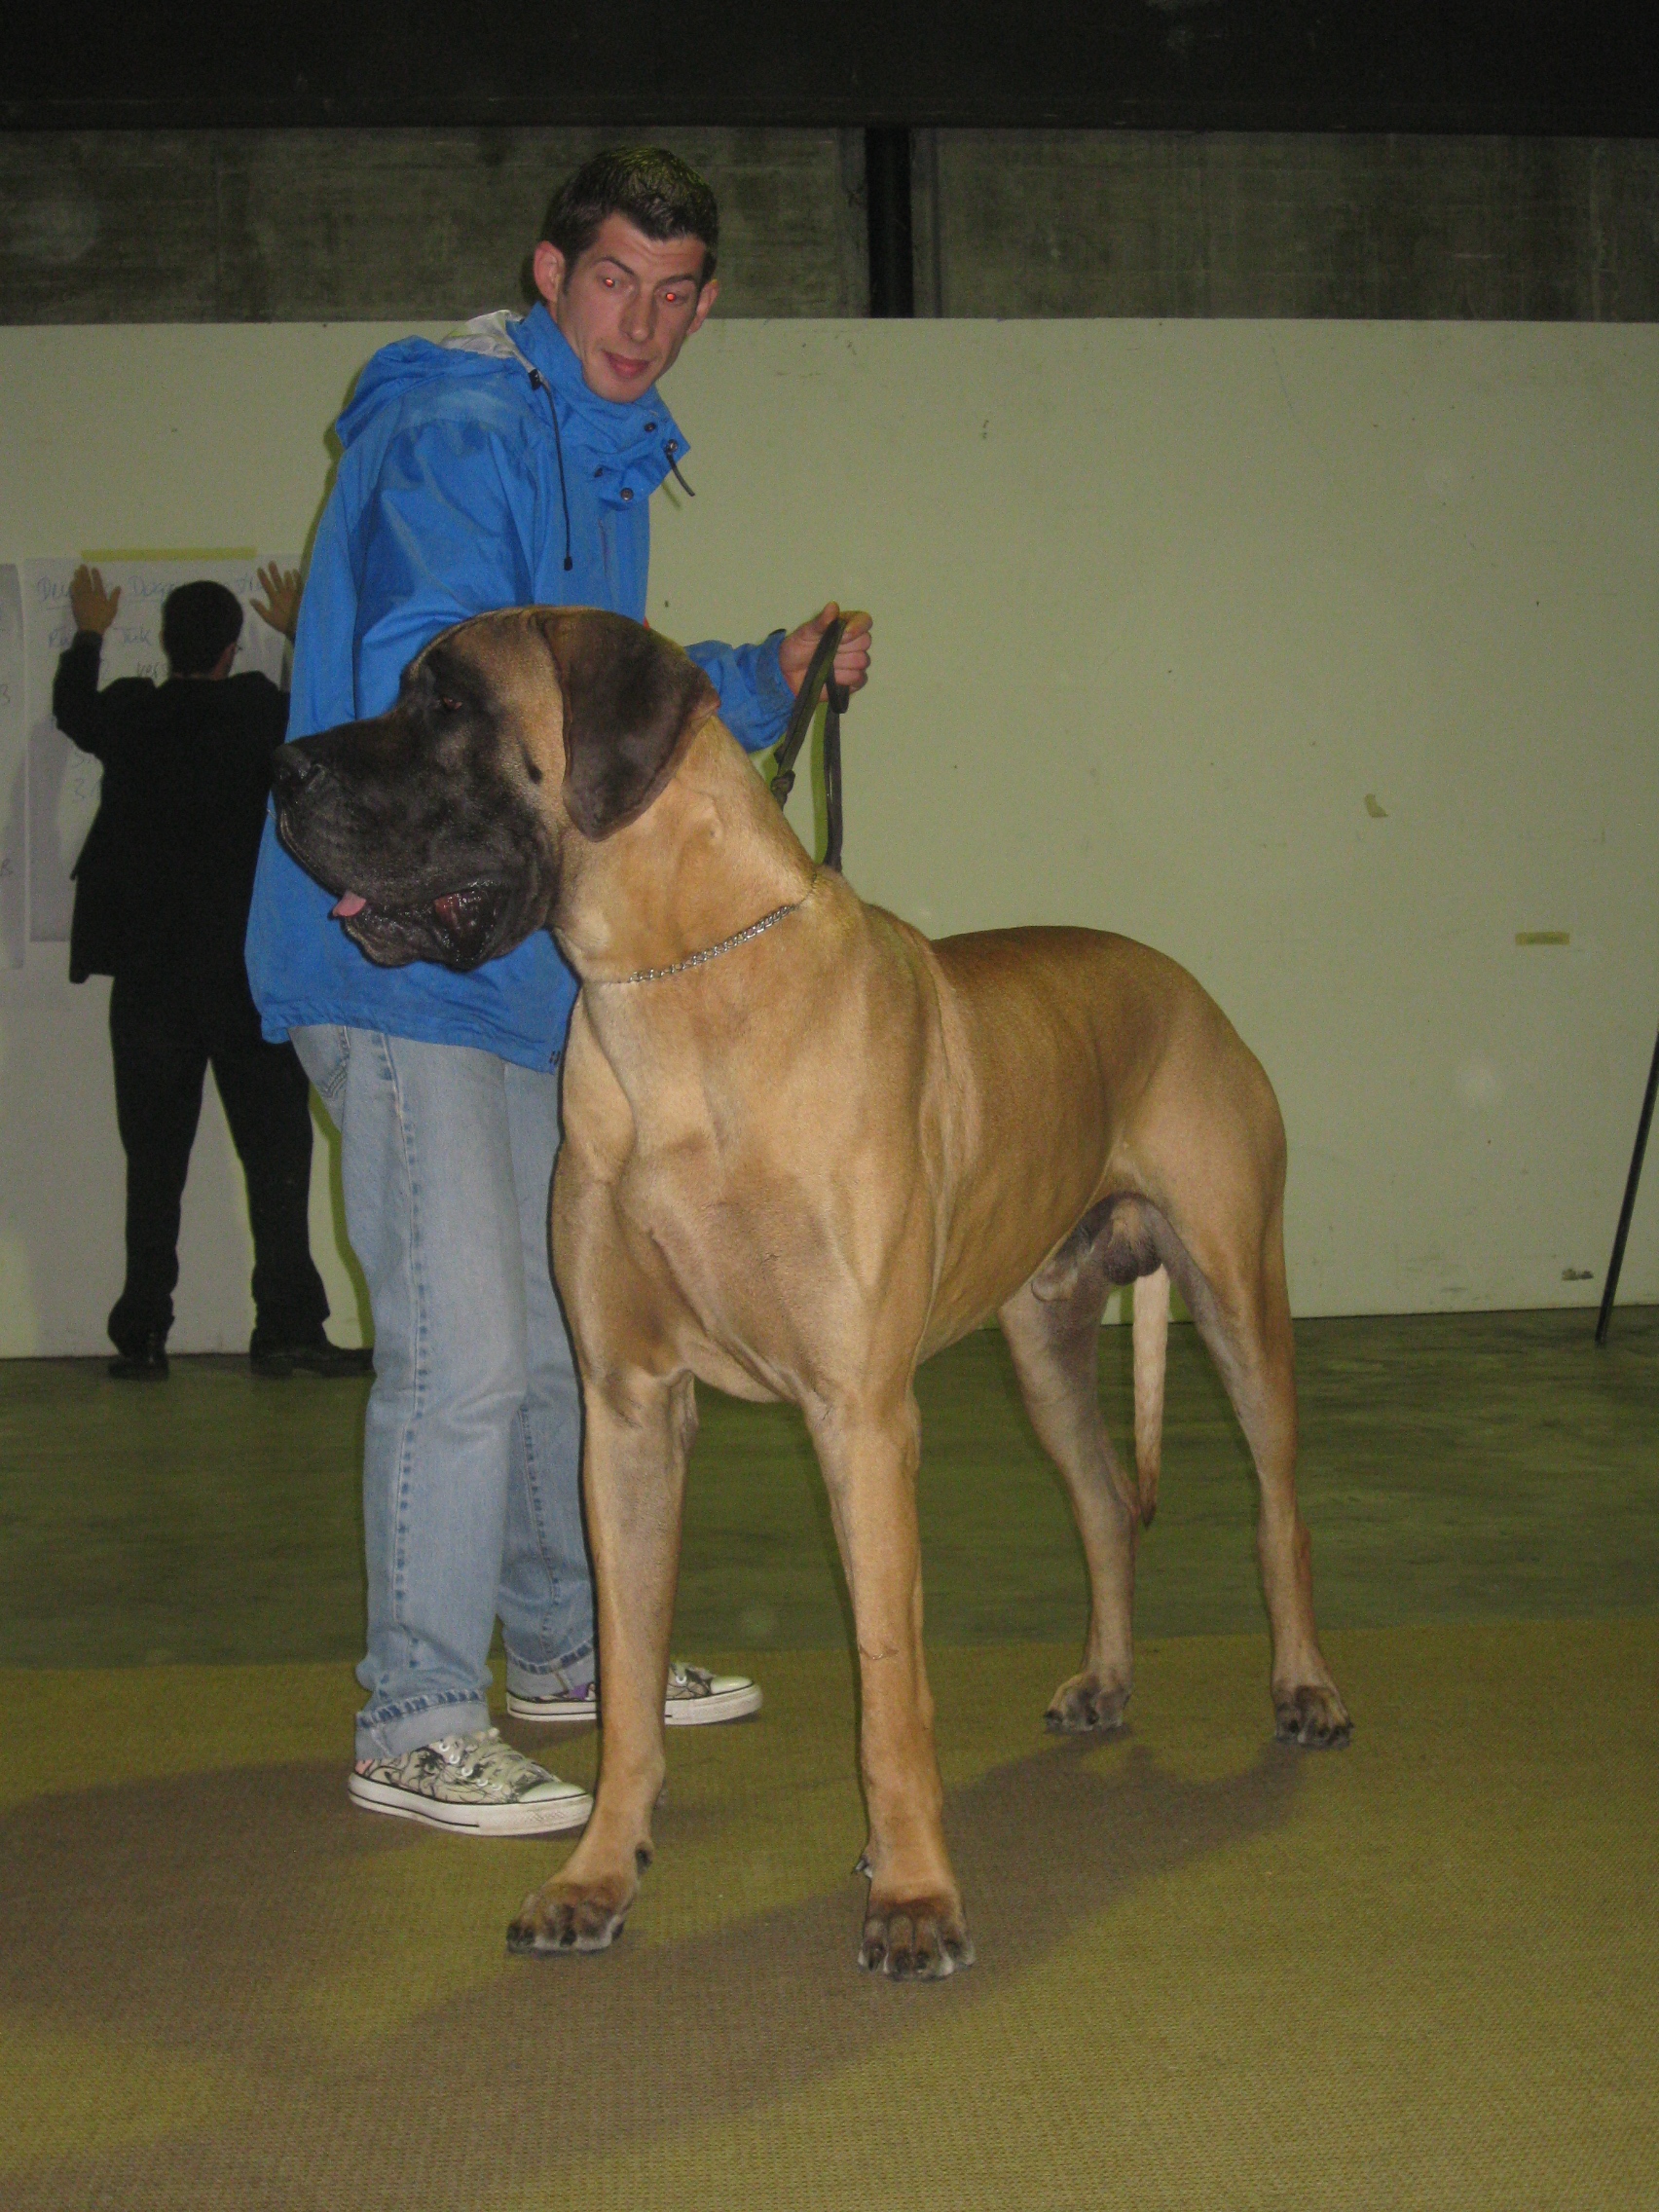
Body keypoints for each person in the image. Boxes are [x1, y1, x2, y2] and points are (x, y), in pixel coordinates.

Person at [244, 147, 873, 1837]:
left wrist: (758, 679)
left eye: (673, 295)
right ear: (549, 273)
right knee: (462, 1351)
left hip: (525, 967)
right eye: (611, 282)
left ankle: (566, 1653)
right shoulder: (463, 424)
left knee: (559, 1338)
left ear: (705, 303)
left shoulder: (602, 455)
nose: (639, 323)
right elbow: (463, 682)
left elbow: (593, 706)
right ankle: (413, 1715)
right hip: (398, 959)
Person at [54, 564, 374, 1384]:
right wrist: (302, 630)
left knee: (154, 1164)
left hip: (151, 985)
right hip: (246, 981)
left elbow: (72, 710)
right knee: (277, 1161)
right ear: (234, 647)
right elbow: (331, 717)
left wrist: (88, 631)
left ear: (166, 644)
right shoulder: (261, 713)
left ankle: (143, 1336)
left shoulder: (134, 715)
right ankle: (288, 1330)